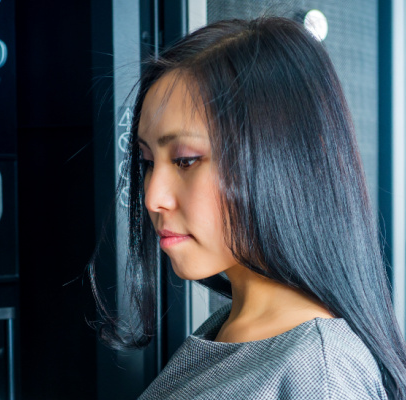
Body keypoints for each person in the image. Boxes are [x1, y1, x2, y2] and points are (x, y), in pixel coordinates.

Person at [89, 16, 406, 399]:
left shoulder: (320, 375)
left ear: (279, 159)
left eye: (186, 160)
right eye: (148, 161)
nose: (153, 197)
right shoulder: (232, 329)